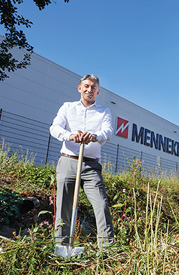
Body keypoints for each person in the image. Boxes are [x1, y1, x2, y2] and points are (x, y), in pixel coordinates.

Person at [50, 74, 114, 247]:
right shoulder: (67, 107)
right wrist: (70, 136)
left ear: (98, 91)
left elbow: (107, 132)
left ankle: (106, 249)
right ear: (80, 88)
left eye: (93, 87)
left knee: (101, 205)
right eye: (86, 86)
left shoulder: (104, 112)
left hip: (91, 165)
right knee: (63, 204)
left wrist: (93, 136)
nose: (89, 90)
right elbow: (54, 128)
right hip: (68, 161)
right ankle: (61, 246)